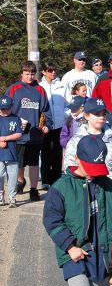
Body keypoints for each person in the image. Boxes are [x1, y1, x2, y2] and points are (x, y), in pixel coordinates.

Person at [43, 134, 112, 286]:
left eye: (97, 167)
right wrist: (70, 247)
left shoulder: (109, 187)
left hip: (102, 254)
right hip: (75, 254)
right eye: (89, 166)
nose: (93, 171)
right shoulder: (61, 187)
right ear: (76, 158)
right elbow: (52, 220)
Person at [64, 98, 112, 223]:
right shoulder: (76, 141)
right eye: (97, 114)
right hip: (85, 195)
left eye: (103, 114)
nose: (101, 118)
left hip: (110, 193)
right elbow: (70, 170)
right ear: (86, 116)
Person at [6, 61, 52, 201]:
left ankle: (33, 189)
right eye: (27, 74)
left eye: (32, 74)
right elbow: (5, 108)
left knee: (33, 163)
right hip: (17, 134)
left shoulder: (40, 90)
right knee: (18, 162)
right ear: (21, 74)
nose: (30, 77)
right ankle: (20, 181)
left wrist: (46, 125)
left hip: (35, 133)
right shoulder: (14, 89)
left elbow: (46, 111)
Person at [39, 62, 66, 188]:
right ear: (44, 72)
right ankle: (45, 179)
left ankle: (56, 179)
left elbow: (67, 103)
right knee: (45, 152)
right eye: (50, 70)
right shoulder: (40, 86)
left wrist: (66, 117)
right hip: (45, 125)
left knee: (57, 152)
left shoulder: (61, 85)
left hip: (59, 124)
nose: (53, 73)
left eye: (54, 70)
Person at [0, 96, 22, 207]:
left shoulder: (15, 118)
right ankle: (0, 196)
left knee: (12, 177)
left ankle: (12, 198)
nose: (5, 111)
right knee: (0, 175)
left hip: (12, 153)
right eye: (2, 109)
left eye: (7, 108)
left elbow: (19, 134)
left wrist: (5, 138)